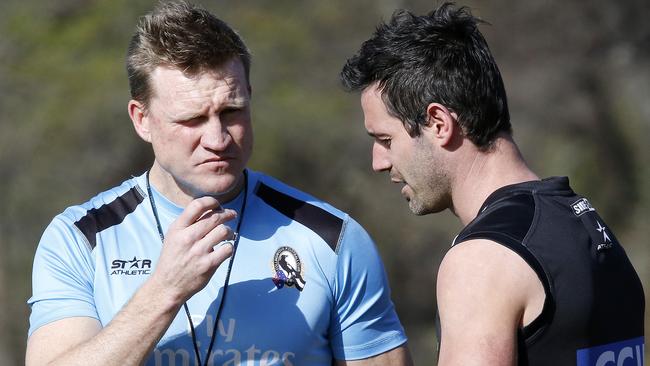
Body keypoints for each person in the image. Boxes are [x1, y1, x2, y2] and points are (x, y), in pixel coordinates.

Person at [25, 2, 413, 365]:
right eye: (191, 119)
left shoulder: (333, 239)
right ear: (141, 119)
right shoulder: (80, 239)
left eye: (231, 111)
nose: (218, 139)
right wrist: (165, 290)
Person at [340, 2, 645, 365]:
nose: (379, 162)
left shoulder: (482, 260)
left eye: (386, 140)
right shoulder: (587, 225)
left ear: (439, 123)